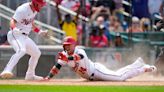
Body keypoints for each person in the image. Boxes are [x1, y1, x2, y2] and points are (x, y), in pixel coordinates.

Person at [44, 36, 157, 81]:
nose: (66, 46)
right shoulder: (65, 55)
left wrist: (67, 58)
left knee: (119, 78)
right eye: (65, 45)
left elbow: (78, 57)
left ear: (74, 45)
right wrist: (48, 78)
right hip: (91, 77)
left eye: (68, 44)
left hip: (96, 71)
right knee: (118, 74)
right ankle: (138, 64)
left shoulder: (79, 51)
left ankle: (142, 68)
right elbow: (57, 66)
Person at [0, 0, 47, 80]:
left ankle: (30, 75)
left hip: (25, 37)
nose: (41, 6)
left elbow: (30, 23)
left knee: (36, 53)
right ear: (35, 3)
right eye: (40, 4)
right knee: (21, 50)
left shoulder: (34, 11)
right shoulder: (22, 9)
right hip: (15, 34)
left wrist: (39, 31)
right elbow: (12, 21)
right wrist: (14, 28)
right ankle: (6, 70)